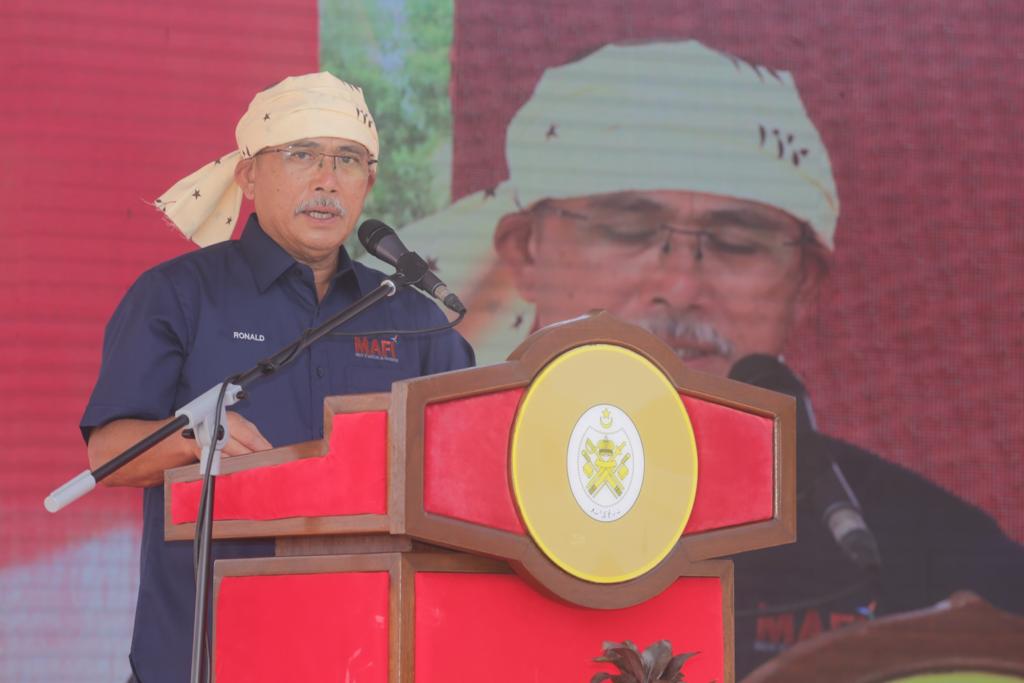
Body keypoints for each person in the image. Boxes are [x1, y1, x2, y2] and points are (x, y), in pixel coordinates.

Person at [391, 42, 1024, 677]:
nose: (681, 286)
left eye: (738, 243)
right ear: (526, 252)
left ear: (804, 284)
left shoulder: (917, 546)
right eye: (628, 230)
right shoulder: (413, 509)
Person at [80, 72, 474, 683]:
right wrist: (194, 439)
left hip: (366, 654)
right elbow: (107, 457)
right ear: (247, 177)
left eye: (348, 160)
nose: (327, 179)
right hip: (204, 652)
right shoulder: (179, 295)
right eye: (301, 154)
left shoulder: (412, 317)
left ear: (368, 184)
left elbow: (472, 455)